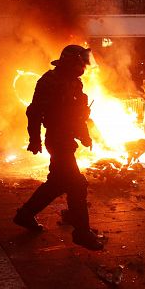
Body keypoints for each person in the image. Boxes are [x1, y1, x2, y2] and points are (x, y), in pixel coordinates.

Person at [13, 45, 103, 250]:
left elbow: (77, 114)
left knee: (57, 183)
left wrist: (85, 135)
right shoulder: (49, 81)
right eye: (81, 62)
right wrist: (34, 139)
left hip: (67, 139)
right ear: (71, 61)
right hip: (57, 139)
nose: (83, 67)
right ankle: (81, 232)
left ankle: (25, 215)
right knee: (77, 184)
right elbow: (34, 112)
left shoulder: (74, 82)